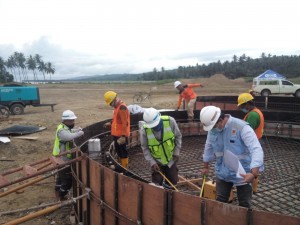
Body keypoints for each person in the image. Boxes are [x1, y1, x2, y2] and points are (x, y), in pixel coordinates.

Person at [200, 105, 264, 208]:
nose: (212, 129)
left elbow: (256, 149)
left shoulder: (242, 127)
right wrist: (205, 166)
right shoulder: (213, 130)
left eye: (214, 126)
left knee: (244, 204)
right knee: (220, 201)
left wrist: (253, 173)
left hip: (243, 173)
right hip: (223, 171)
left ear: (220, 120)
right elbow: (208, 147)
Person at [140, 107, 182, 189]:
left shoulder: (170, 121)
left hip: (171, 159)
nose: (154, 128)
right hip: (157, 161)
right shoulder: (144, 130)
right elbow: (145, 148)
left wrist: (176, 152)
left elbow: (178, 136)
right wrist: (152, 162)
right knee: (156, 184)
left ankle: (170, 198)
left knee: (173, 181)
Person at [53, 110, 84, 200]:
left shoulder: (64, 127)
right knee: (67, 180)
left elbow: (70, 131)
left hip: (61, 157)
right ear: (64, 120)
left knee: (60, 177)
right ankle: (62, 196)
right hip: (61, 158)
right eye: (70, 121)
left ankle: (57, 192)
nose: (73, 122)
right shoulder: (61, 130)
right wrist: (79, 133)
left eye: (73, 120)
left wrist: (76, 130)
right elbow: (68, 136)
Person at [238, 92, 265, 193]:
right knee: (253, 165)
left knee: (250, 166)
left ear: (248, 104)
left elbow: (248, 131)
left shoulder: (253, 115)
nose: (241, 108)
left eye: (242, 106)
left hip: (251, 144)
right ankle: (254, 188)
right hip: (257, 141)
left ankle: (249, 187)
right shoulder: (257, 111)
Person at [103, 91, 130, 169]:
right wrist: (110, 123)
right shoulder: (117, 108)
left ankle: (125, 169)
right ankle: (121, 166)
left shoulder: (122, 108)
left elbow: (125, 123)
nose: (111, 105)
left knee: (123, 153)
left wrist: (123, 136)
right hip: (117, 135)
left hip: (121, 136)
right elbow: (117, 120)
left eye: (111, 103)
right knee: (119, 152)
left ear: (115, 99)